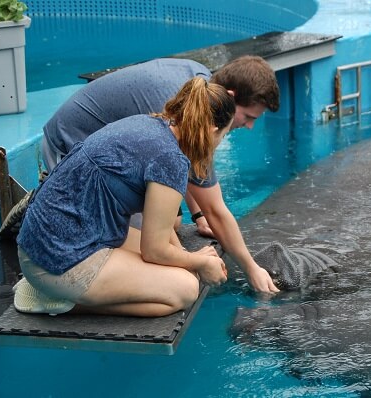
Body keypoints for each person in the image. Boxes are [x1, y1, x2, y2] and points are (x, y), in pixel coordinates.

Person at [39, 55, 281, 294]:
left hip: (107, 158)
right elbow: (215, 209)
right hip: (69, 145)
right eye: (248, 117)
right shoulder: (187, 112)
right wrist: (252, 270)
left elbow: (184, 164)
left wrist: (197, 214)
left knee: (171, 224)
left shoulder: (198, 87)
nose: (249, 126)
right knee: (162, 264)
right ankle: (64, 285)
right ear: (230, 96)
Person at [14, 77, 233, 317]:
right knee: (186, 288)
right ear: (213, 130)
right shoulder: (171, 161)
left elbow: (160, 223)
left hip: (40, 245)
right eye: (224, 134)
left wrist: (188, 258)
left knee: (180, 269)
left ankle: (53, 287)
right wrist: (200, 264)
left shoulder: (149, 124)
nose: (221, 142)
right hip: (57, 262)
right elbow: (154, 252)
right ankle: (60, 301)